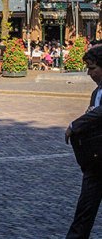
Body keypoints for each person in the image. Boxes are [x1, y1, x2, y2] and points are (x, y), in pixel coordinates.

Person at [65, 45, 102, 238]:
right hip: (96, 163)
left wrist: (75, 124)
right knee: (84, 213)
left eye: (92, 68)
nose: (89, 73)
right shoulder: (96, 93)